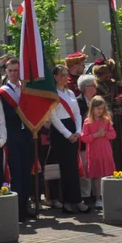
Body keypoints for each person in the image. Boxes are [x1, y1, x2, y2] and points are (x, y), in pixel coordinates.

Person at [0, 59, 33, 222]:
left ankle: (25, 206)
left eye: (16, 70)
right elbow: (4, 116)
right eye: (11, 70)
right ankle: (18, 211)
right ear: (5, 71)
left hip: (27, 135)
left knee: (27, 172)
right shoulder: (2, 92)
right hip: (13, 135)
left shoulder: (26, 88)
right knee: (17, 173)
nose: (14, 73)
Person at [49, 65, 88, 213]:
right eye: (63, 75)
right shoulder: (52, 93)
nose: (66, 77)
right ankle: (67, 201)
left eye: (66, 74)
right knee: (65, 168)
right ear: (56, 77)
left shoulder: (71, 92)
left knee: (74, 167)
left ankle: (77, 199)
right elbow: (53, 117)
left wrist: (78, 130)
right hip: (60, 132)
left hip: (73, 128)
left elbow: (77, 113)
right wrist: (67, 134)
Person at [93, 60, 122, 172]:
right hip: (104, 120)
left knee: (120, 145)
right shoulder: (96, 85)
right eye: (106, 73)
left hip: (117, 120)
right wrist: (114, 104)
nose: (109, 75)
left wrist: (120, 101)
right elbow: (97, 103)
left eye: (109, 73)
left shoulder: (114, 84)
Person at [82, 96, 116, 209]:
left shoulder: (106, 120)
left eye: (102, 108)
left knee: (107, 174)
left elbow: (113, 134)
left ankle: (108, 196)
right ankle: (97, 198)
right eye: (97, 108)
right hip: (94, 153)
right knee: (96, 176)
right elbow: (84, 138)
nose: (100, 111)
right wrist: (95, 135)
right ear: (92, 109)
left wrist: (105, 133)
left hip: (106, 152)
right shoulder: (87, 122)